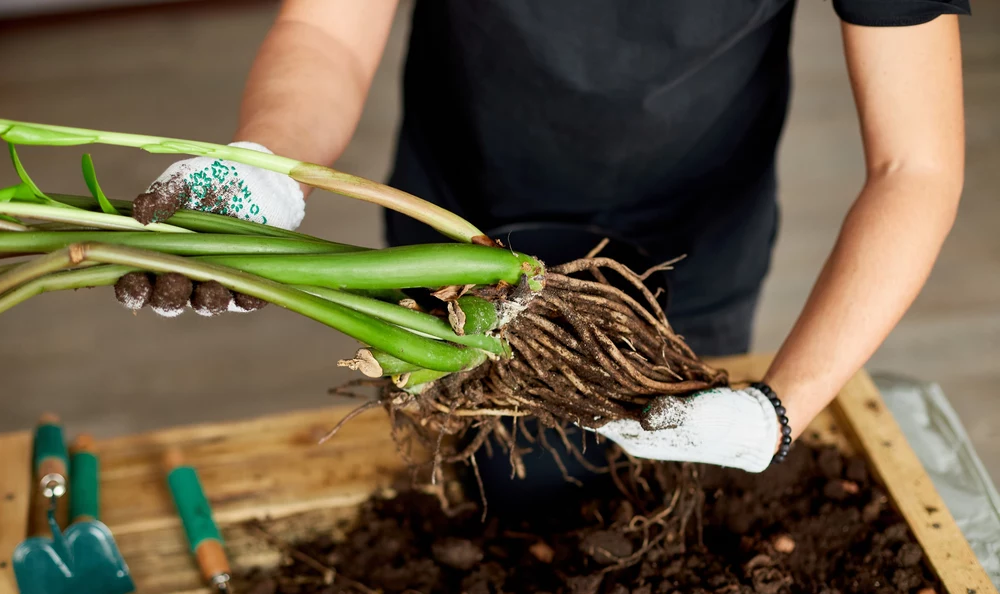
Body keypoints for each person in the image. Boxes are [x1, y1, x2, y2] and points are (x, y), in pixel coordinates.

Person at [120, 0, 969, 475]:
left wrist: (782, 408)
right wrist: (270, 160)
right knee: (475, 480)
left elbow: (914, 167)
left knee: (657, 494)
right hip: (455, 231)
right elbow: (327, 31)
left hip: (691, 245)